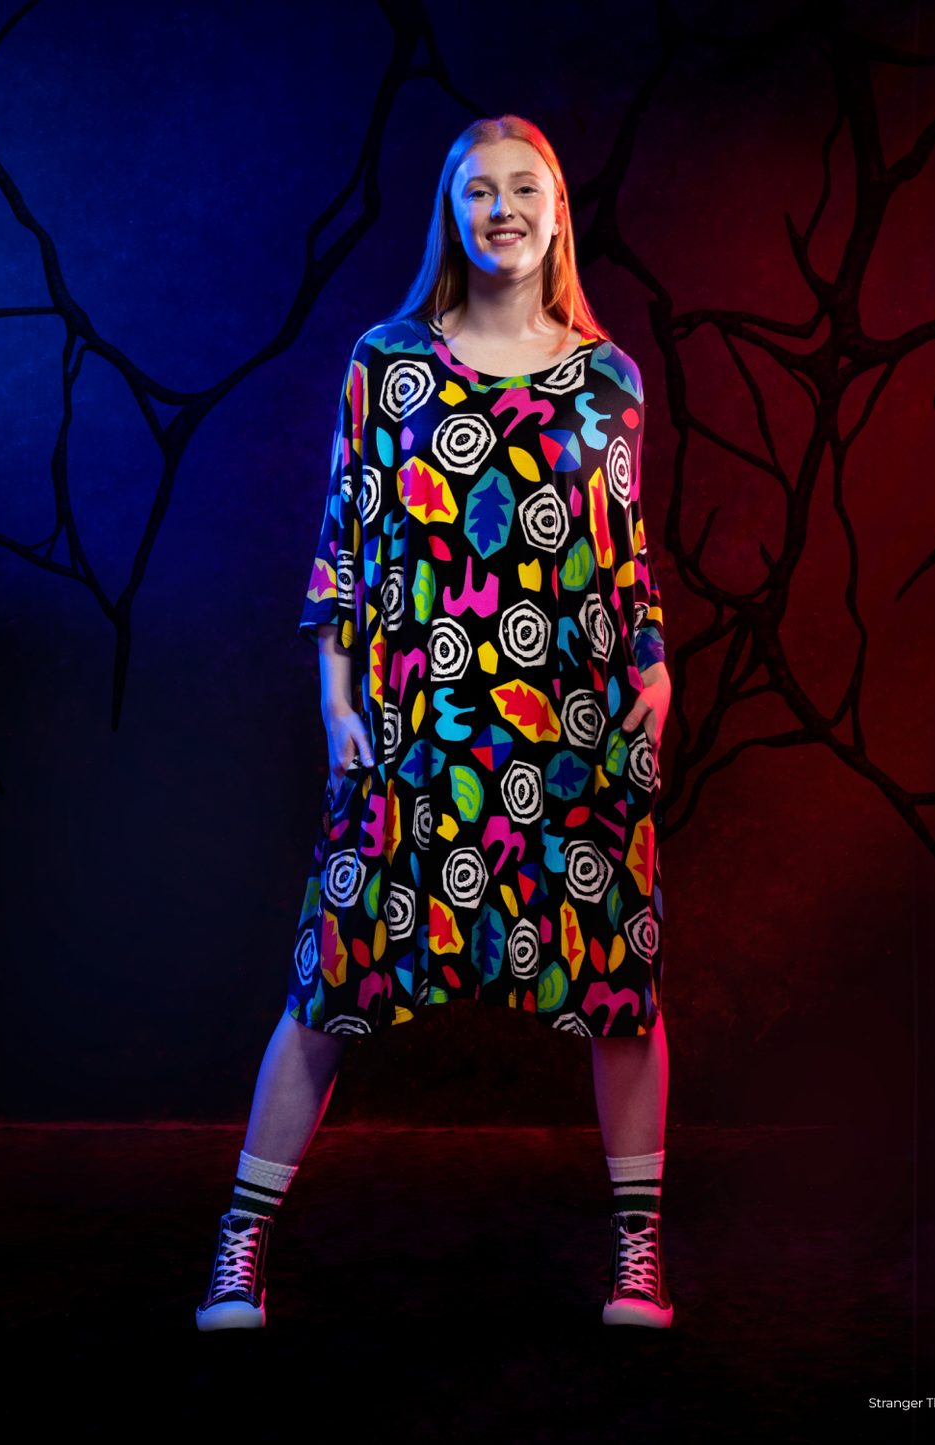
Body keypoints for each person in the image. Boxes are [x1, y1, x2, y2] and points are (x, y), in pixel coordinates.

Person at [198, 115, 674, 1333]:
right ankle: (238, 1249)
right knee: (326, 987)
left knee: (619, 988)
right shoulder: (389, 364)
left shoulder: (610, 379)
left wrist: (655, 668)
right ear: (452, 213)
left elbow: (626, 564)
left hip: (573, 728)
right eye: (479, 191)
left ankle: (637, 1259)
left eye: (526, 189)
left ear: (558, 211)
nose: (503, 209)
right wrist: (335, 700)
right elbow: (342, 544)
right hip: (413, 732)